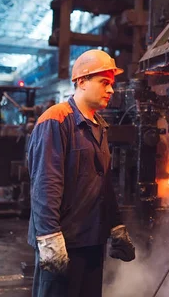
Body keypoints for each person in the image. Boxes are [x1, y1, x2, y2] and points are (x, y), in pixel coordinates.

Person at [27, 49, 135, 296]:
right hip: (63, 243)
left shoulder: (99, 127)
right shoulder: (56, 120)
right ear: (82, 82)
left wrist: (116, 225)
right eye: (104, 83)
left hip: (91, 240)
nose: (111, 90)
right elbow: (45, 185)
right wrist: (48, 238)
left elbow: (103, 185)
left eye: (112, 84)